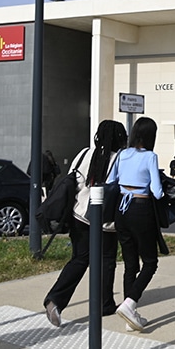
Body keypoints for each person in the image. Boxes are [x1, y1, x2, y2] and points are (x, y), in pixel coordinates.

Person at [43, 120, 127, 326]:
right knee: (107, 261)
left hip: (78, 216)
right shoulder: (120, 159)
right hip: (106, 221)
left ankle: (55, 300)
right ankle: (105, 303)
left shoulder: (84, 154)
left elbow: (74, 179)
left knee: (80, 259)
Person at [108, 116, 164, 332]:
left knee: (130, 264)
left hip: (121, 209)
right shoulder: (150, 157)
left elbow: (112, 180)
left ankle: (129, 314)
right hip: (141, 208)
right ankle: (130, 304)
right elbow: (158, 193)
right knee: (150, 262)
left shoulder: (122, 154)